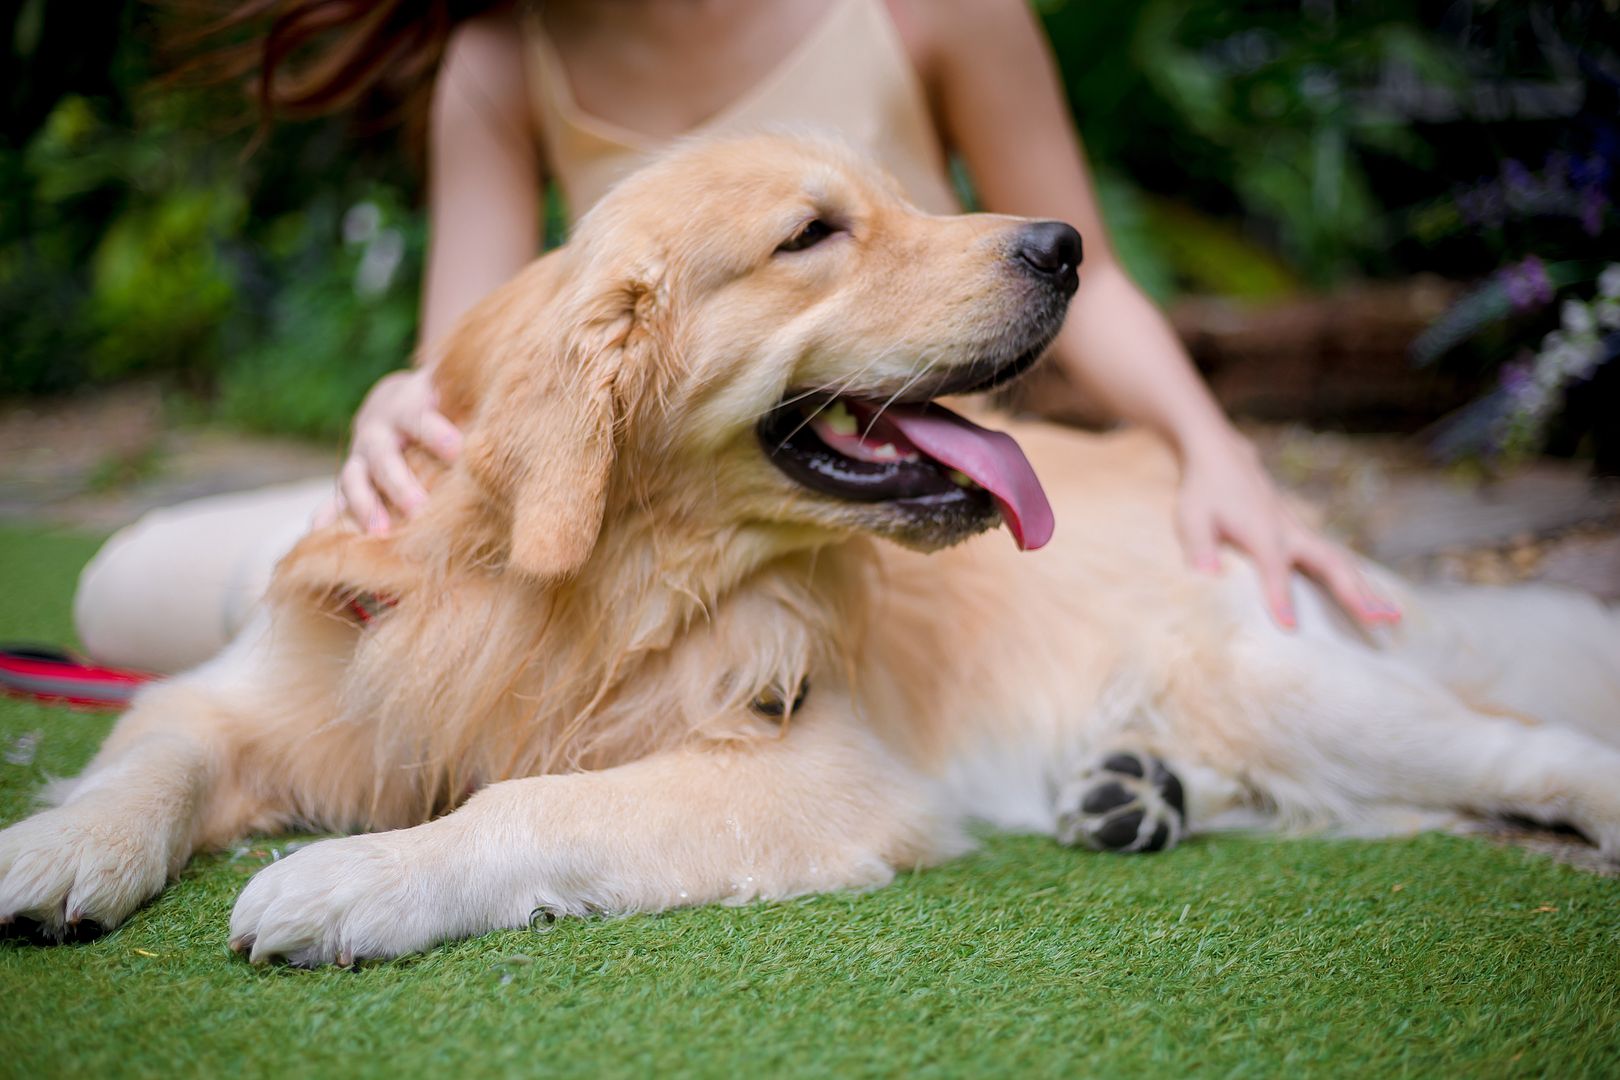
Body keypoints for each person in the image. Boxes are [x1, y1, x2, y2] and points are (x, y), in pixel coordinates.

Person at [74, 0, 1398, 674]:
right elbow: (468, 363)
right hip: (642, 506)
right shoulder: (499, 54)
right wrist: (394, 405)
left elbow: (1087, 278)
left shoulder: (933, 8)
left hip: (880, 482)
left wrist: (1216, 452)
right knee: (117, 587)